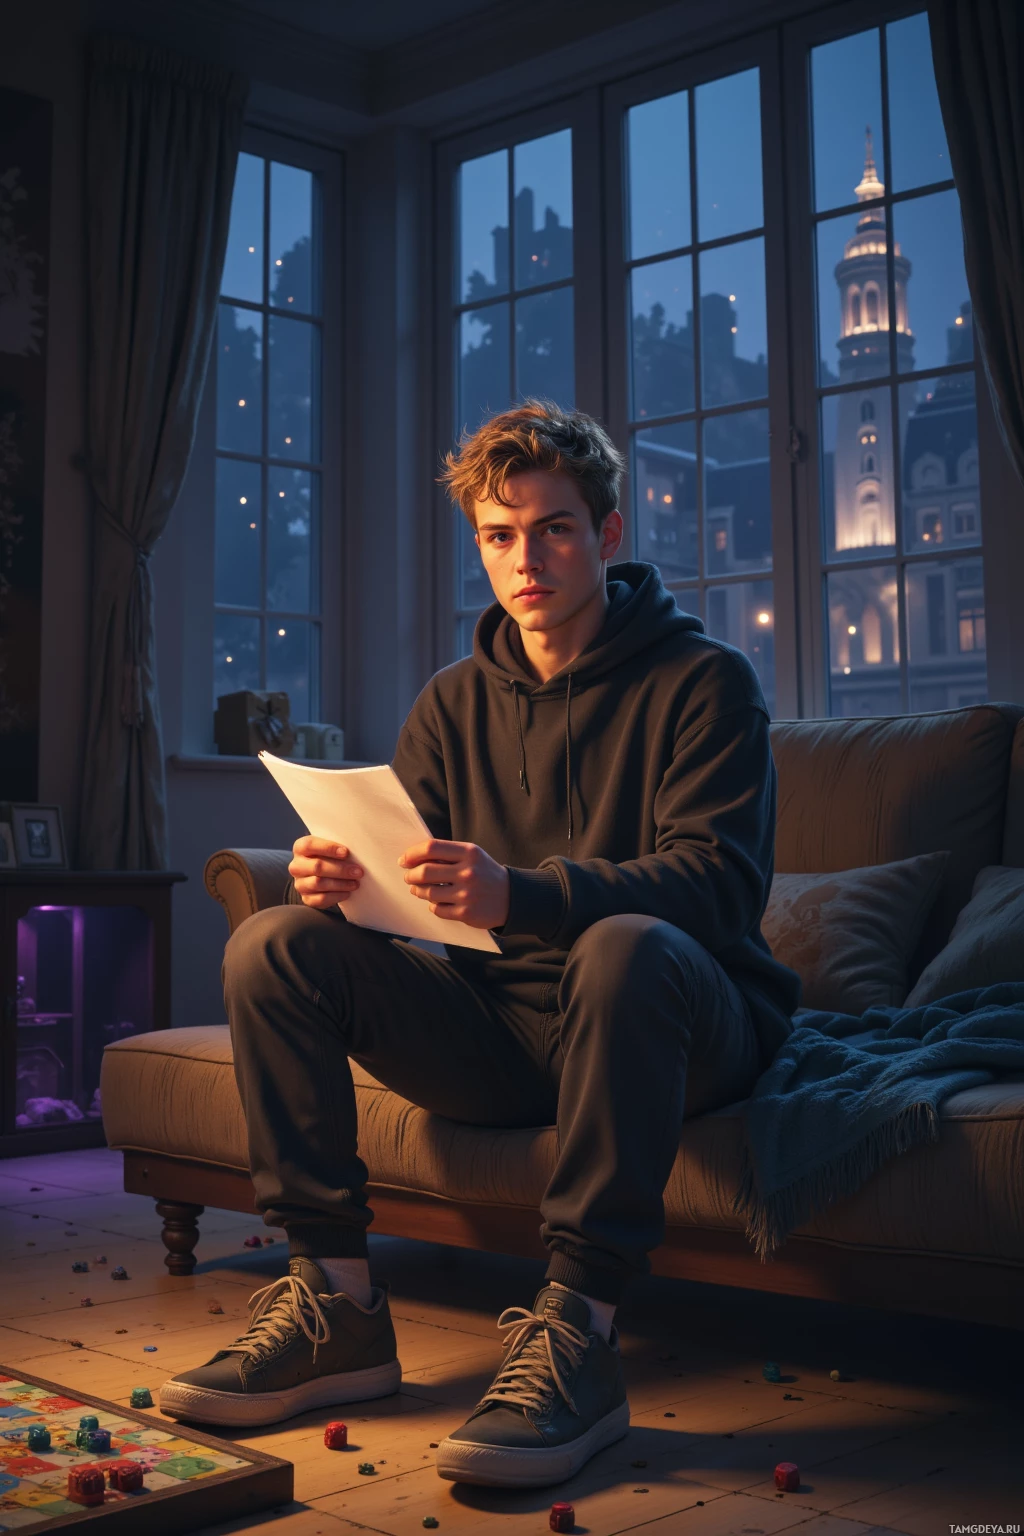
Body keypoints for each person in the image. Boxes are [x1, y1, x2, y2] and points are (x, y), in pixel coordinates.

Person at [161, 400, 801, 1488]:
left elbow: (720, 888)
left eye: (552, 529)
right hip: (504, 1033)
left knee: (622, 947)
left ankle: (580, 1335)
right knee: (272, 945)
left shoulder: (706, 685)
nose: (525, 559)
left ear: (605, 536)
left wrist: (528, 896)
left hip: (683, 1029)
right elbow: (410, 886)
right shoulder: (451, 704)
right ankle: (339, 1304)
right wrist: (338, 887)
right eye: (499, 537)